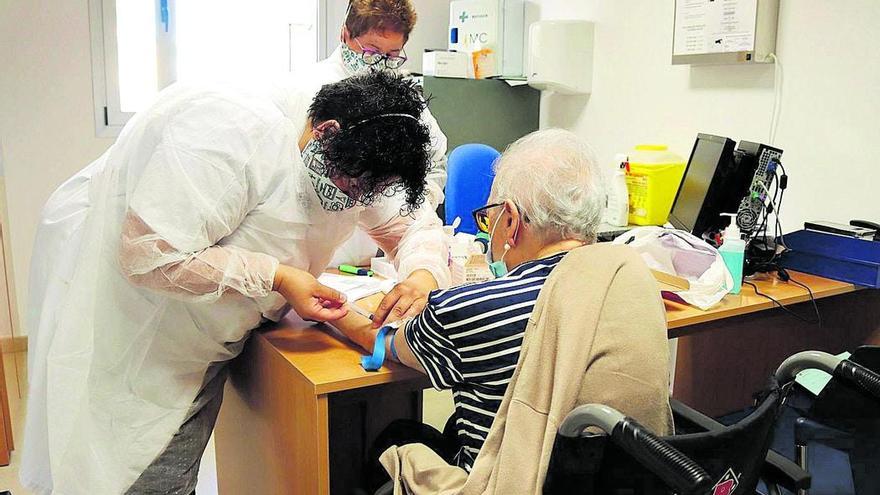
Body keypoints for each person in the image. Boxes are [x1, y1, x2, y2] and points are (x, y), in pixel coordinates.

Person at [21, 71, 449, 494]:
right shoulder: (230, 129)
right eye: (352, 186)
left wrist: (422, 274)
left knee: (176, 455)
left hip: (215, 328)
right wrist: (277, 276)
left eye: (369, 192)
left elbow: (411, 227)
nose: (357, 201)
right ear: (325, 133)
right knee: (128, 463)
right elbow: (148, 251)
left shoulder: (365, 153)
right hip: (141, 316)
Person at [330, 129, 673, 490]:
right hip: (620, 477)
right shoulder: (632, 277)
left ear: (509, 220)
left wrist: (336, 312)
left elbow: (386, 340)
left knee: (397, 437)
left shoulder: (471, 309)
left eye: (488, 216)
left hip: (509, 480)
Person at [275, 0, 449, 267]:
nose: (380, 63)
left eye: (392, 55)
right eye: (371, 51)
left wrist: (409, 212)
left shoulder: (403, 101)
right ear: (345, 33)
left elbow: (433, 161)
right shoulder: (299, 90)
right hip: (303, 253)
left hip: (372, 255)